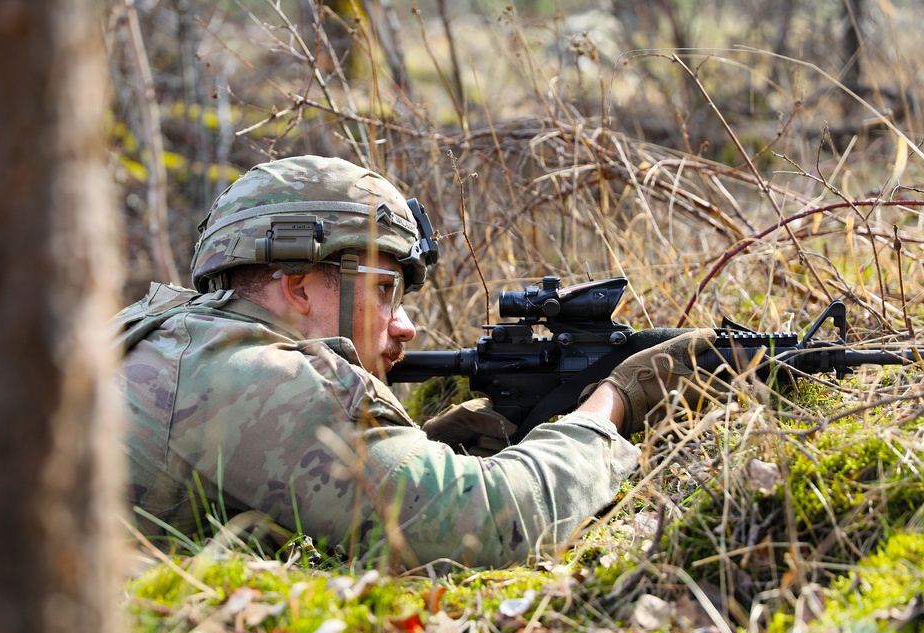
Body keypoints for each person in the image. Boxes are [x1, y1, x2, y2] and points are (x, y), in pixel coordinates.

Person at [115, 155, 716, 568]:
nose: (403, 324)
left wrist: (415, 447)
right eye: (383, 290)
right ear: (297, 287)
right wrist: (609, 405)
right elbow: (489, 526)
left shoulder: (179, 342)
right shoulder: (254, 377)